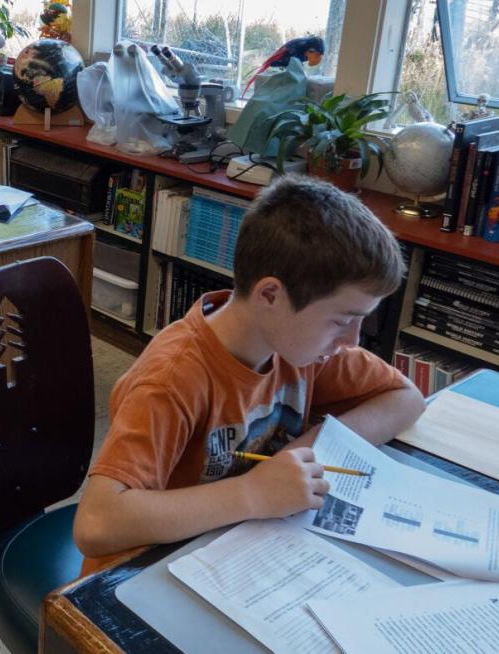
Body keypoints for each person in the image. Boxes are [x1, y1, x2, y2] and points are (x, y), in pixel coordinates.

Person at [72, 176, 425, 572]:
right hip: (144, 571)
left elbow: (406, 398)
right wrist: (252, 493)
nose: (351, 339)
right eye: (343, 319)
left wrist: (303, 452)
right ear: (270, 295)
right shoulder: (172, 379)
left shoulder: (302, 347)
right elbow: (96, 524)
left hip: (235, 546)